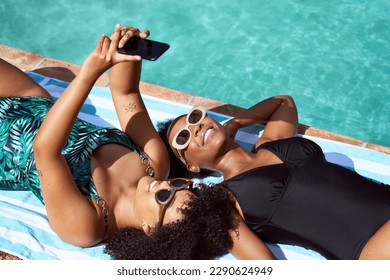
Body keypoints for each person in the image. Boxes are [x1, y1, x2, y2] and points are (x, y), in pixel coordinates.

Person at [0, 24, 266, 260]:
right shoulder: (154, 164)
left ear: (152, 230)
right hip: (31, 99)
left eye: (165, 197)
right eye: (177, 185)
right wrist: (128, 53)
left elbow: (45, 150)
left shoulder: (86, 226)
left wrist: (88, 74)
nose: (164, 184)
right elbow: (125, 93)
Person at [159, 95, 390, 260]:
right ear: (192, 165)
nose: (196, 128)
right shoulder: (222, 202)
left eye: (195, 118)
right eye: (183, 137)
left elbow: (283, 102)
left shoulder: (271, 145)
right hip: (369, 248)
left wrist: (235, 123)